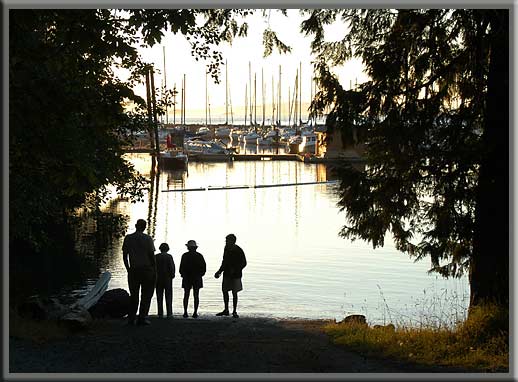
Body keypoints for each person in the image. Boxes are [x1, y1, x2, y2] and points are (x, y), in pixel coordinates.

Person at [122, 219, 156, 326]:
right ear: (144, 227)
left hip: (134, 269)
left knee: (134, 295)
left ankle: (131, 318)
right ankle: (142, 317)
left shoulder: (128, 238)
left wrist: (128, 268)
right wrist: (154, 269)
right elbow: (151, 255)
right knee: (146, 295)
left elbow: (125, 255)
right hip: (146, 269)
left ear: (136, 225)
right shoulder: (148, 238)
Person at [214, 234, 247, 318]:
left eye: (227, 240)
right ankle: (226, 310)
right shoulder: (226, 248)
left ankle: (234, 311)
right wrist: (219, 271)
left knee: (234, 293)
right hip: (226, 274)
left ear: (233, 241)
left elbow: (244, 263)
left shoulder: (239, 250)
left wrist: (236, 269)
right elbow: (224, 261)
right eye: (226, 241)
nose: (226, 242)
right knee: (225, 291)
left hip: (236, 275)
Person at [179, 240, 206, 318]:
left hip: (187, 277)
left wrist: (182, 274)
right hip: (197, 277)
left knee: (186, 295)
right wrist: (200, 275)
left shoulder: (185, 255)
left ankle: (185, 312)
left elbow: (181, 267)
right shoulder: (199, 256)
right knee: (196, 295)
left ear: (188, 247)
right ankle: (195, 312)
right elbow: (203, 268)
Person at [155, 242, 175, 318]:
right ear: (167, 249)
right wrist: (172, 275)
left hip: (158, 278)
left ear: (160, 249)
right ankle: (169, 313)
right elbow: (172, 267)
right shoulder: (169, 256)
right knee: (169, 296)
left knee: (159, 296)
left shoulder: (156, 256)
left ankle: (160, 312)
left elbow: (153, 267)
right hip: (167, 278)